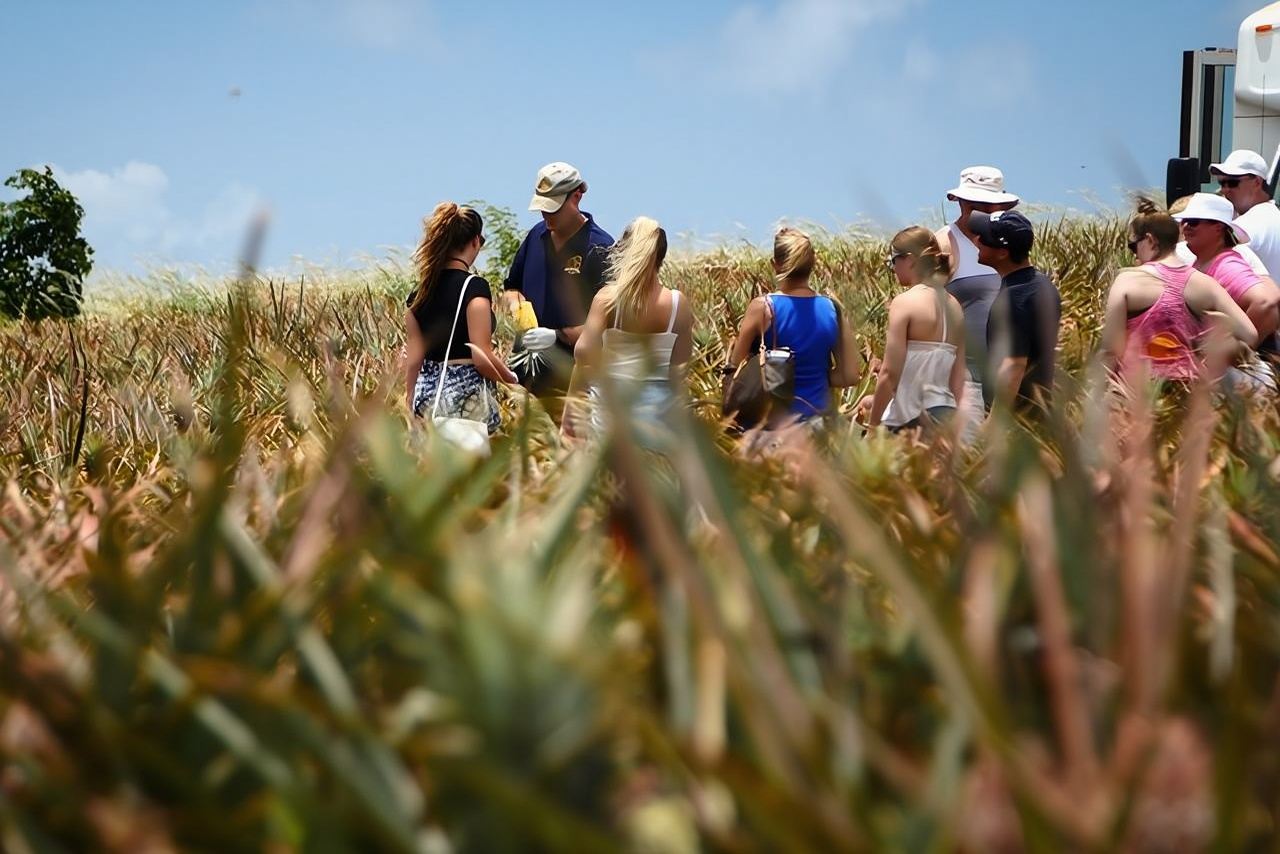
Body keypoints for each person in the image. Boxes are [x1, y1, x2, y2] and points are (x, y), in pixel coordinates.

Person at [563, 217, 694, 445]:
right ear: (660, 258)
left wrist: (569, 420)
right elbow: (680, 367)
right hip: (658, 421)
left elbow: (582, 355)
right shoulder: (677, 304)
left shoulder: (608, 299)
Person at [503, 162, 614, 417]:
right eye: (542, 207)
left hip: (573, 387)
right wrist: (516, 306)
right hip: (525, 381)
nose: (546, 215)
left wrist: (557, 336)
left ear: (577, 196)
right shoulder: (535, 236)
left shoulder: (601, 249)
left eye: (553, 207)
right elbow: (511, 288)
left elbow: (609, 330)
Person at [1103, 199, 1256, 382]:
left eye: (1133, 246)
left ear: (1150, 240)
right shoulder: (1206, 284)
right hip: (1189, 396)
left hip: (1136, 397)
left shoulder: (1127, 281)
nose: (1134, 254)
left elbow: (1110, 351)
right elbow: (1250, 336)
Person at [725, 227, 860, 426]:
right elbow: (849, 375)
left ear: (775, 264)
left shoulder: (763, 307)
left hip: (773, 428)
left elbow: (734, 370)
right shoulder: (833, 309)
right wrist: (815, 376)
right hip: (820, 424)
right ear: (813, 263)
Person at [403, 203, 517, 430]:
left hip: (426, 399)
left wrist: (409, 398)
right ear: (475, 241)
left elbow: (414, 358)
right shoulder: (474, 288)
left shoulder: (418, 295)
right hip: (465, 401)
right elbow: (481, 356)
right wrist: (512, 380)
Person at [861, 226, 966, 432]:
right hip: (946, 415)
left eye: (893, 260)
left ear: (909, 259)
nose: (892, 268)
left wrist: (873, 427)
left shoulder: (905, 302)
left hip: (910, 419)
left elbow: (890, 374)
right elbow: (958, 376)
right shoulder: (954, 305)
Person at [969, 210, 1061, 413]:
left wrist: (994, 424)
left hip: (1016, 418)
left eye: (983, 238)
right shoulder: (1041, 284)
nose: (976, 240)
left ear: (1003, 252)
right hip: (1038, 412)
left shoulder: (1014, 297)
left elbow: (1014, 366)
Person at [1175, 193, 1280, 341]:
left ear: (1218, 228)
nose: (1185, 227)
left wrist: (1236, 352)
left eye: (1193, 222)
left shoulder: (1226, 265)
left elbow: (1266, 303)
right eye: (1183, 221)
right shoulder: (1208, 261)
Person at [1211, 149, 1280, 277]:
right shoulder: (1272, 215)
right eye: (1222, 183)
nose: (1225, 190)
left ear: (1257, 182)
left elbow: (1206, 247)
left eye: (1232, 183)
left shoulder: (1254, 219)